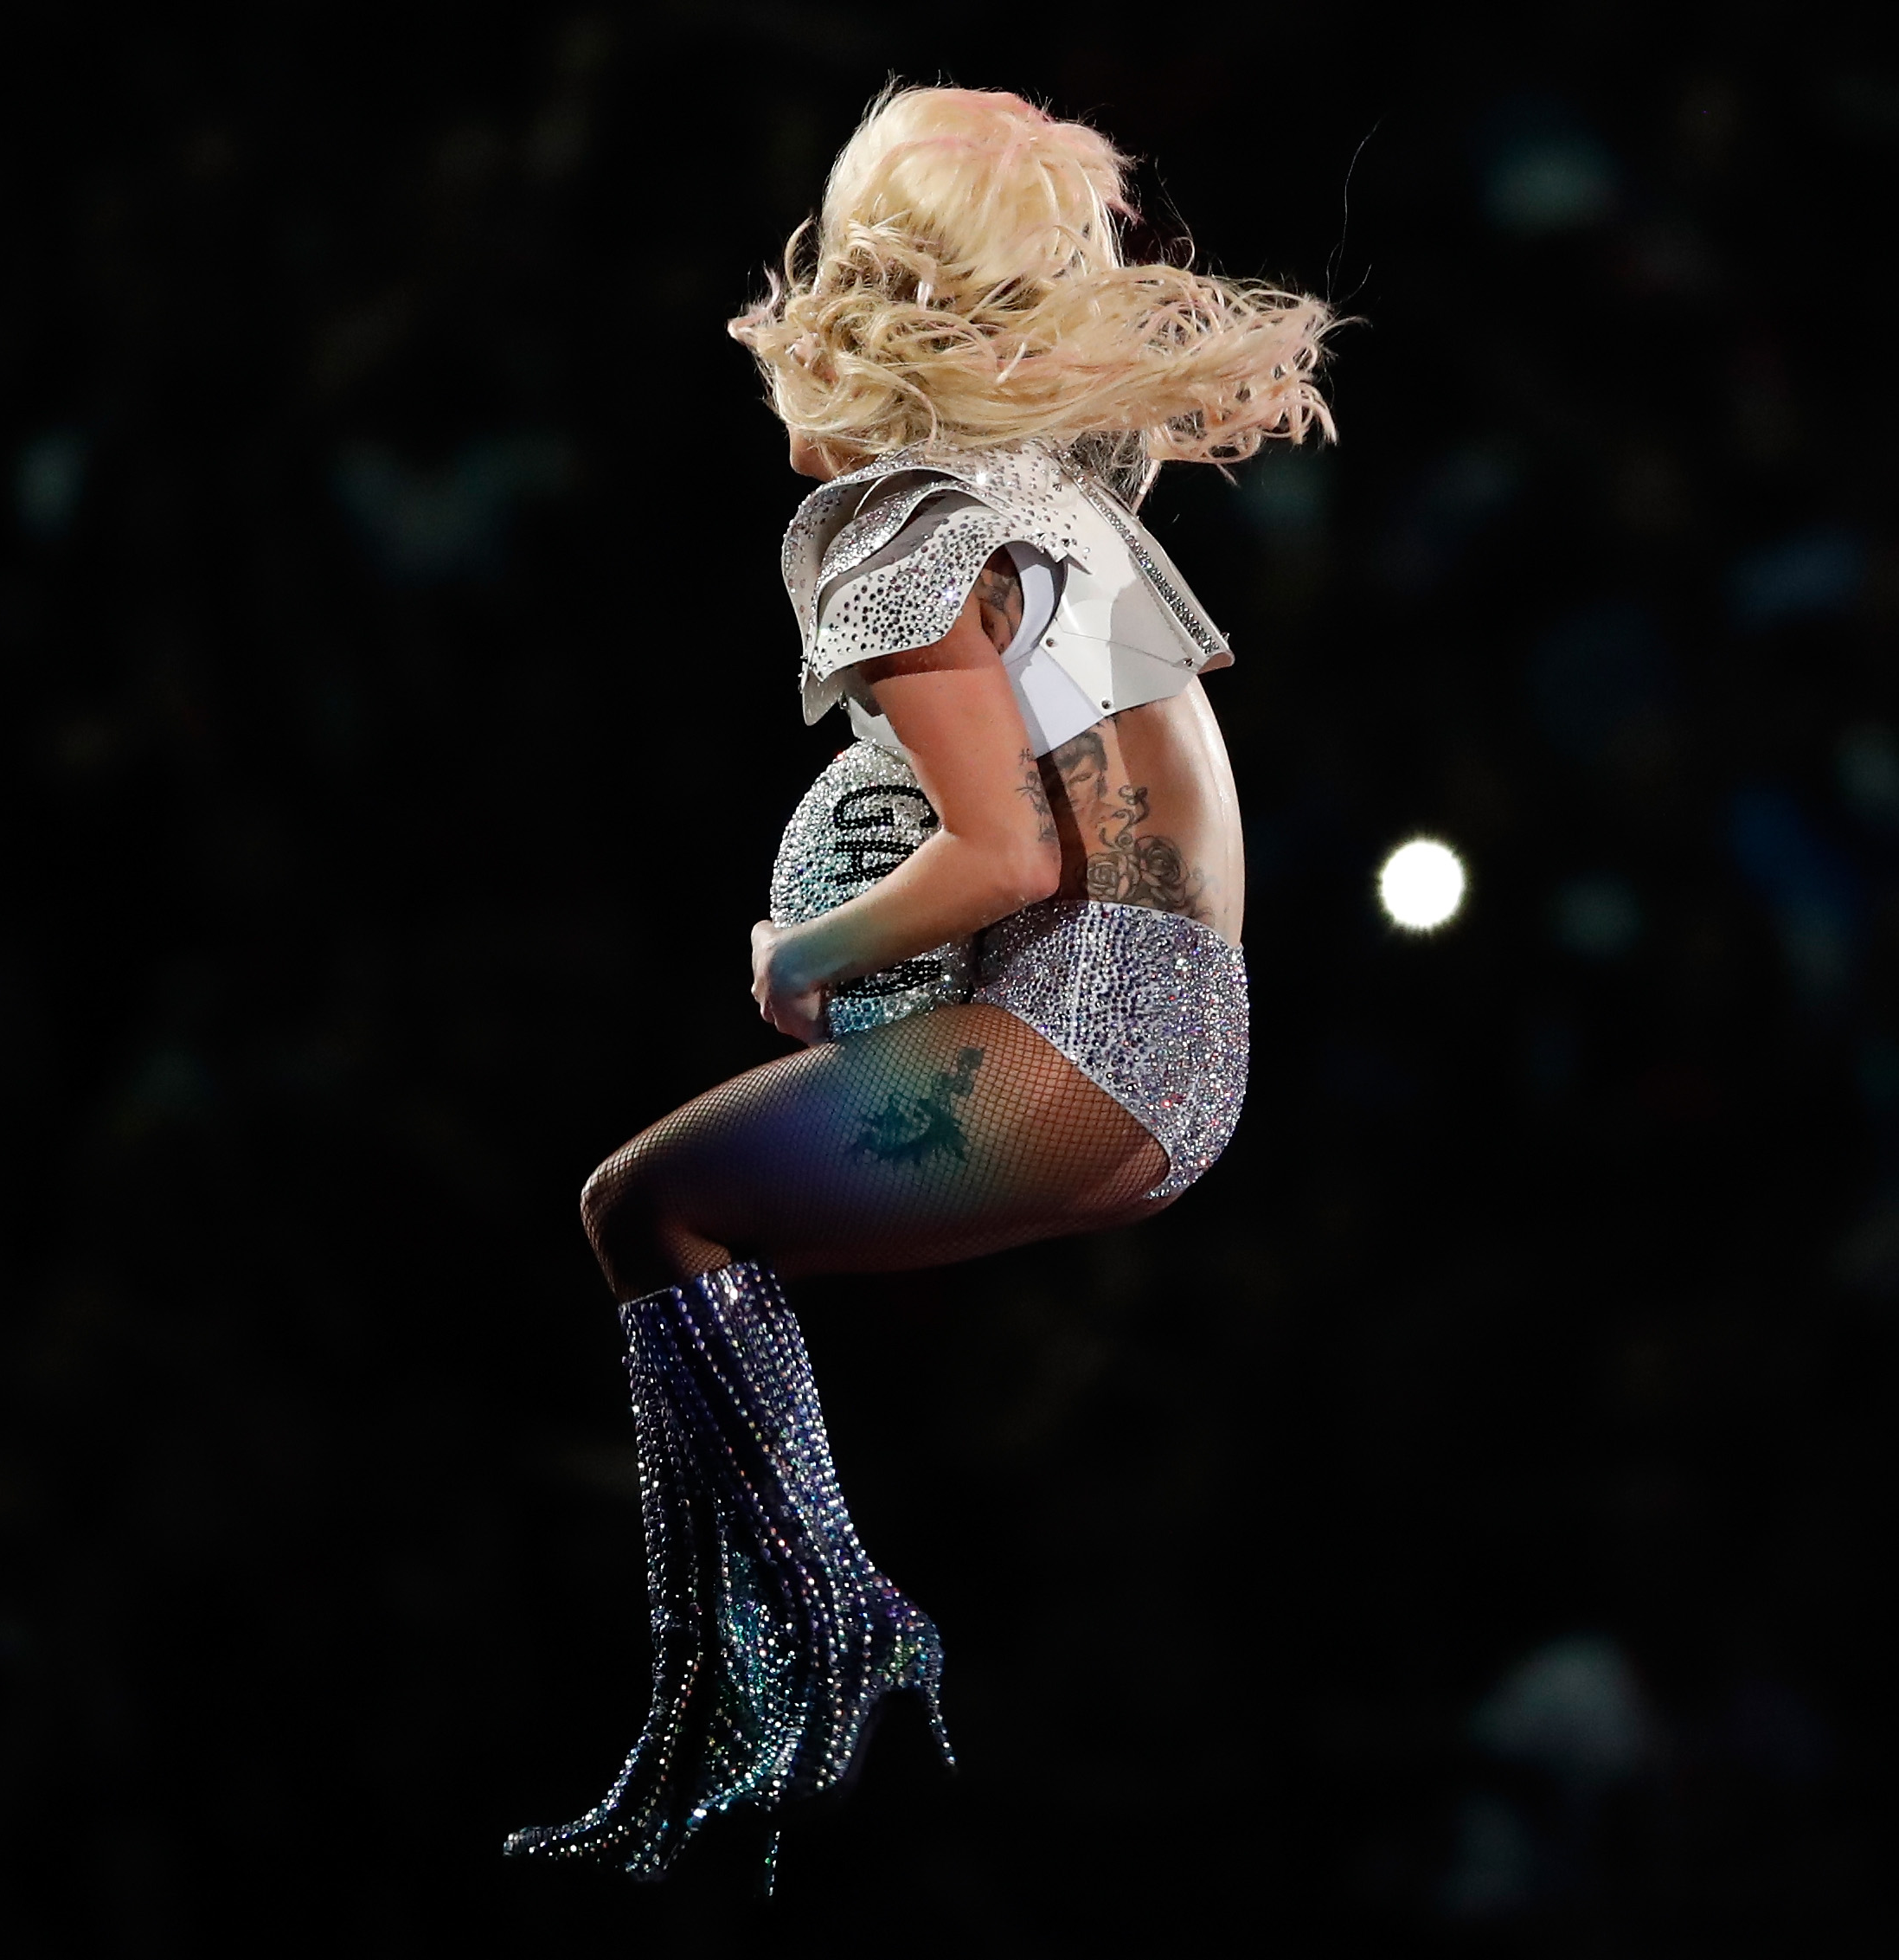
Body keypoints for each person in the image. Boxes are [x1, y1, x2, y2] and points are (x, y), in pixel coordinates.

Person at [504, 85, 1337, 1882]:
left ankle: (800, 1627)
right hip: (1185, 1049)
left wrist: (799, 955)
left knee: (646, 1205)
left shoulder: (896, 527)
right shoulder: (1044, 493)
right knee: (670, 1212)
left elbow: (1005, 859)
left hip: (1082, 1034)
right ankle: (799, 1633)